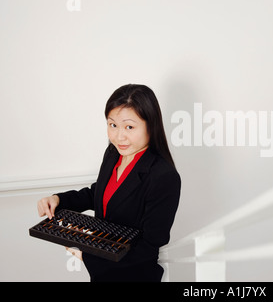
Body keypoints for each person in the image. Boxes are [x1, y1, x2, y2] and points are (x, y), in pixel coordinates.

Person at [37, 84, 181, 282]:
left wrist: (89, 256)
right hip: (103, 275)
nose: (118, 136)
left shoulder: (163, 176)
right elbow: (99, 193)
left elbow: (149, 246)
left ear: (151, 125)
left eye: (129, 127)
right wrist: (58, 199)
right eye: (112, 125)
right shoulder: (114, 153)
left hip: (134, 277)